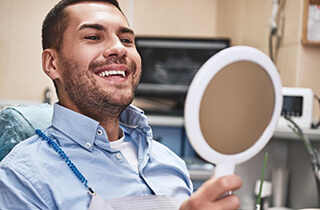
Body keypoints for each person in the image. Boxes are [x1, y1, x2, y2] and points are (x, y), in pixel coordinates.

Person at [0, 0, 242, 209]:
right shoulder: (22, 179)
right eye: (93, 37)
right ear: (52, 63)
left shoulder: (170, 162)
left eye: (126, 39)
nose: (118, 48)